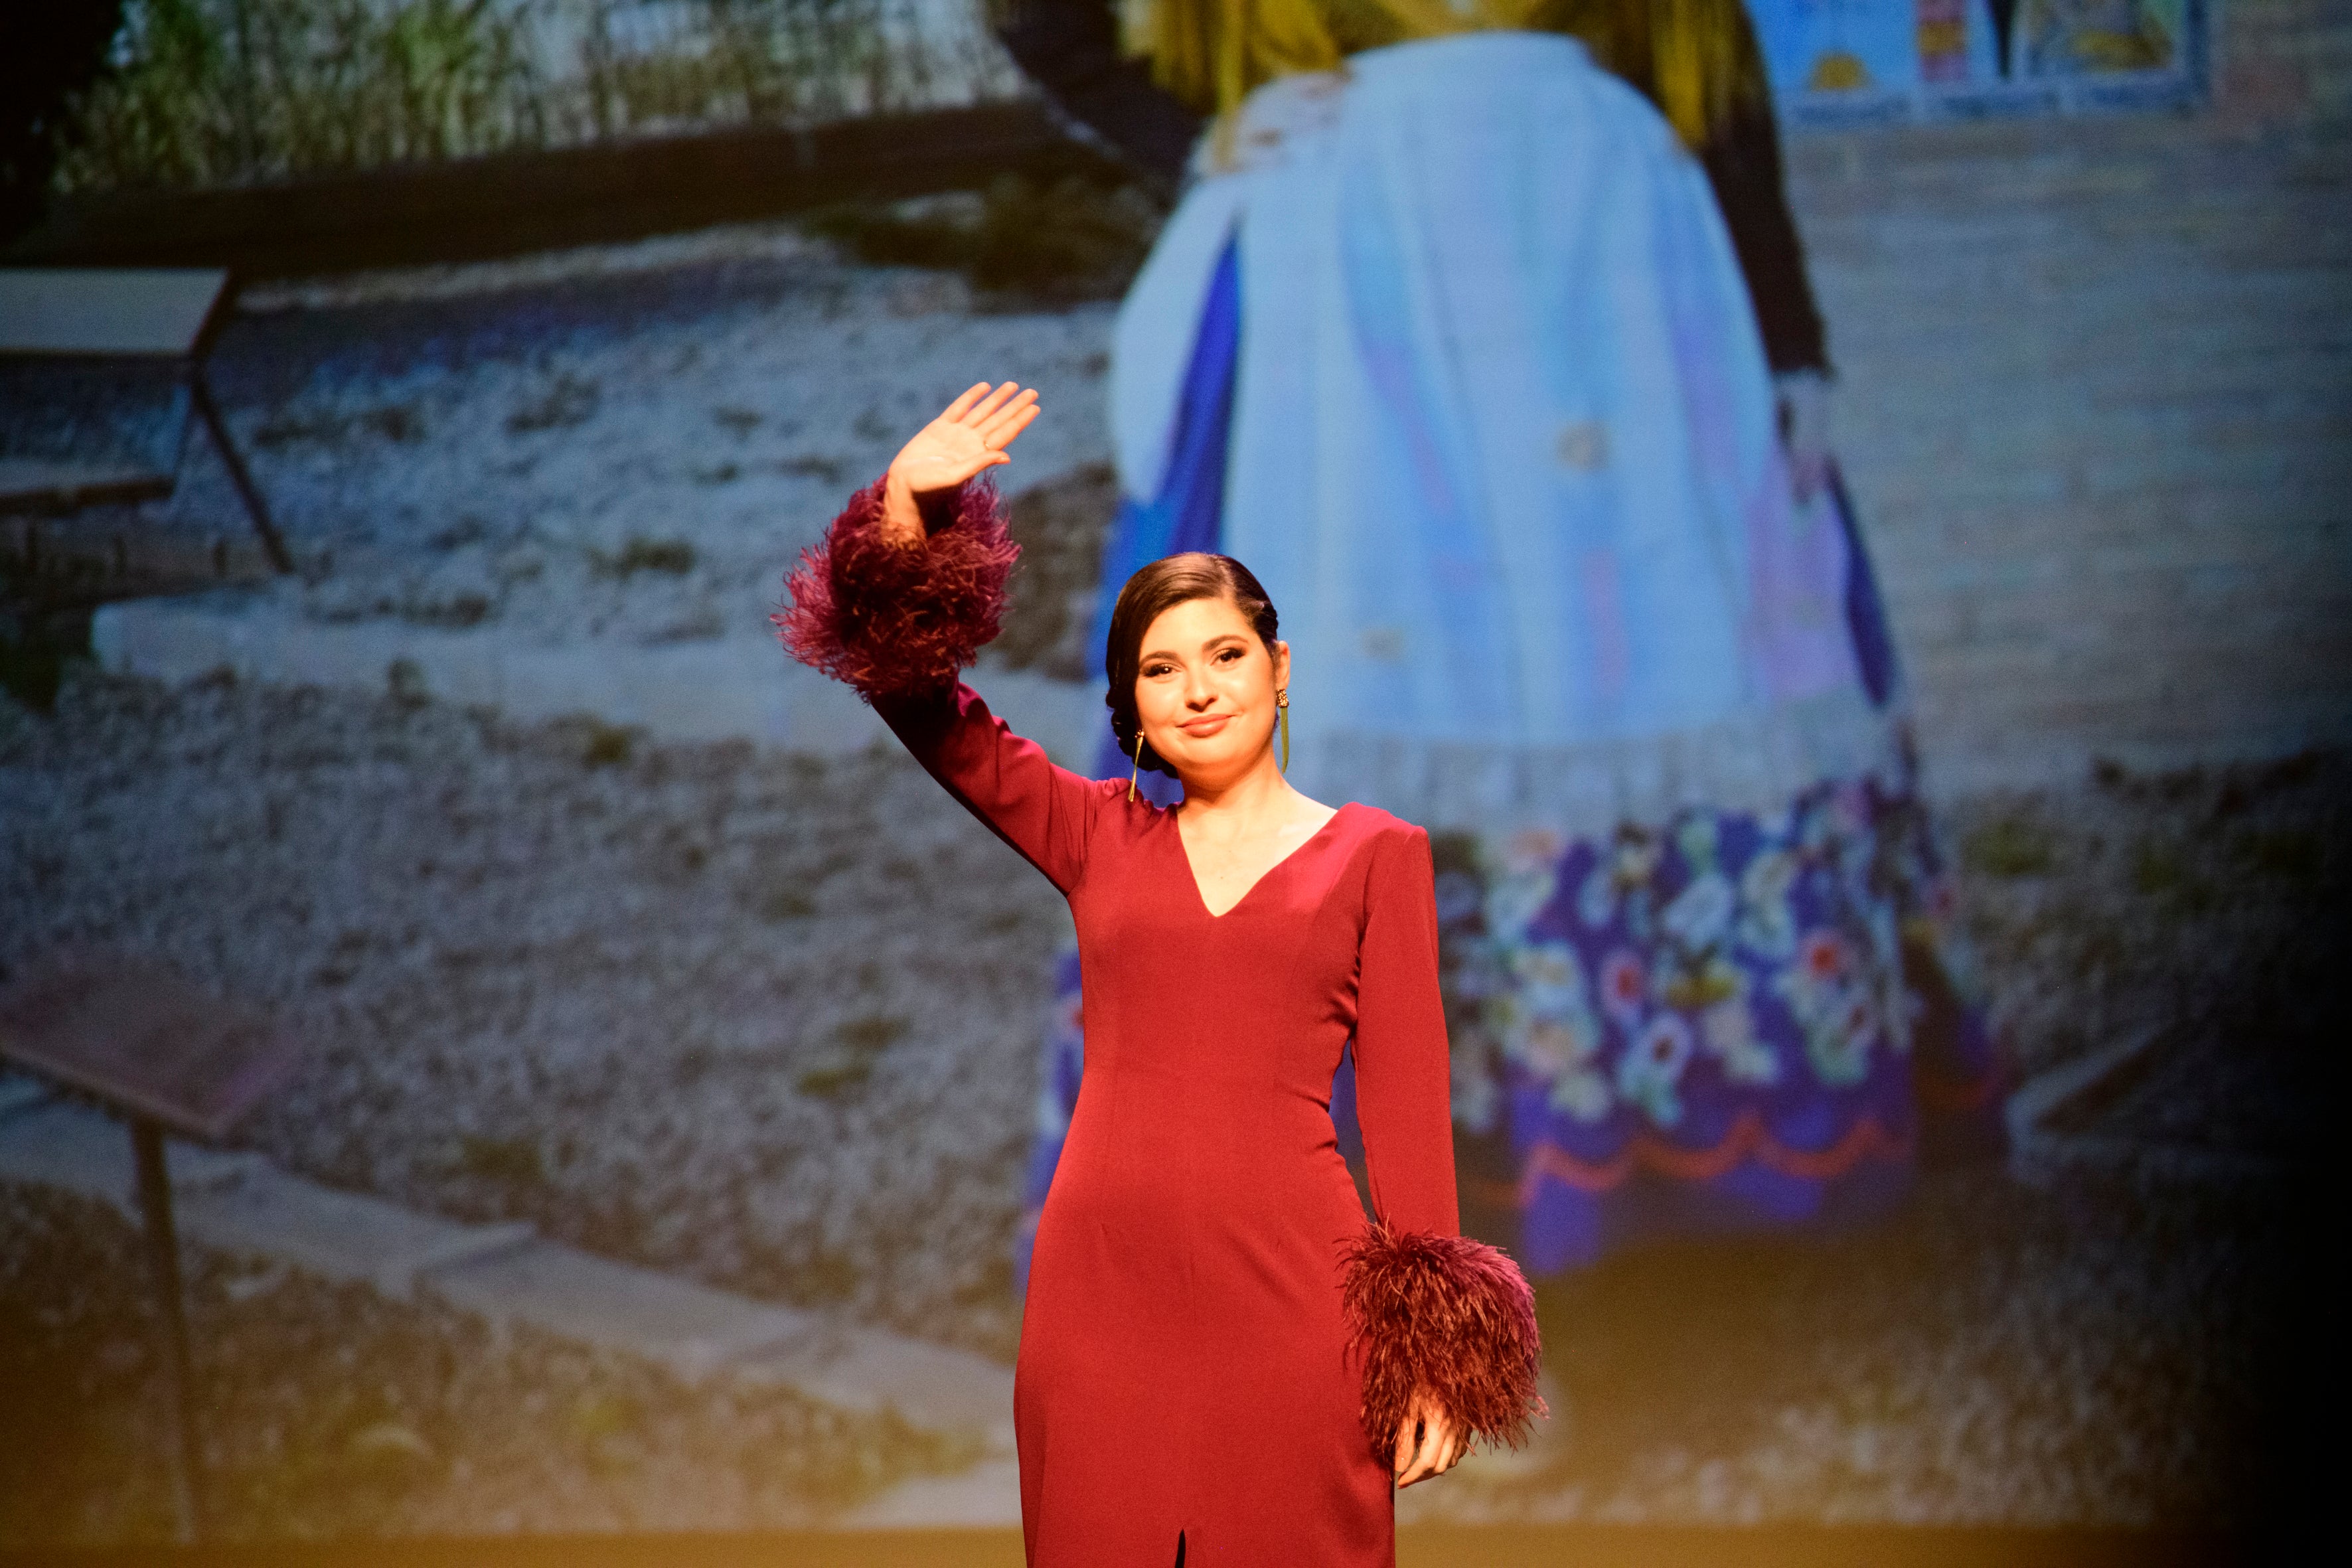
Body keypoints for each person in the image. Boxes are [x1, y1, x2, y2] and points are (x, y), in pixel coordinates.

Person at [1000, 0, 2007, 1277]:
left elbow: (1713, 69)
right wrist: (1193, 131)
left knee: (1650, 671)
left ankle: (1653, 1170)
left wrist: (1791, 341)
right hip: (1352, 287)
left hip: (1614, 265)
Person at [777, 381, 1545, 1565]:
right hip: (1101, 1302)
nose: (1198, 687)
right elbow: (918, 699)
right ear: (1131, 704)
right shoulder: (1095, 833)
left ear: (1279, 670)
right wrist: (901, 512)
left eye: (1227, 654)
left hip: (1302, 1308)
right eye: (1161, 668)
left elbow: (1405, 1102)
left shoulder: (1378, 854)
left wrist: (1439, 1354)